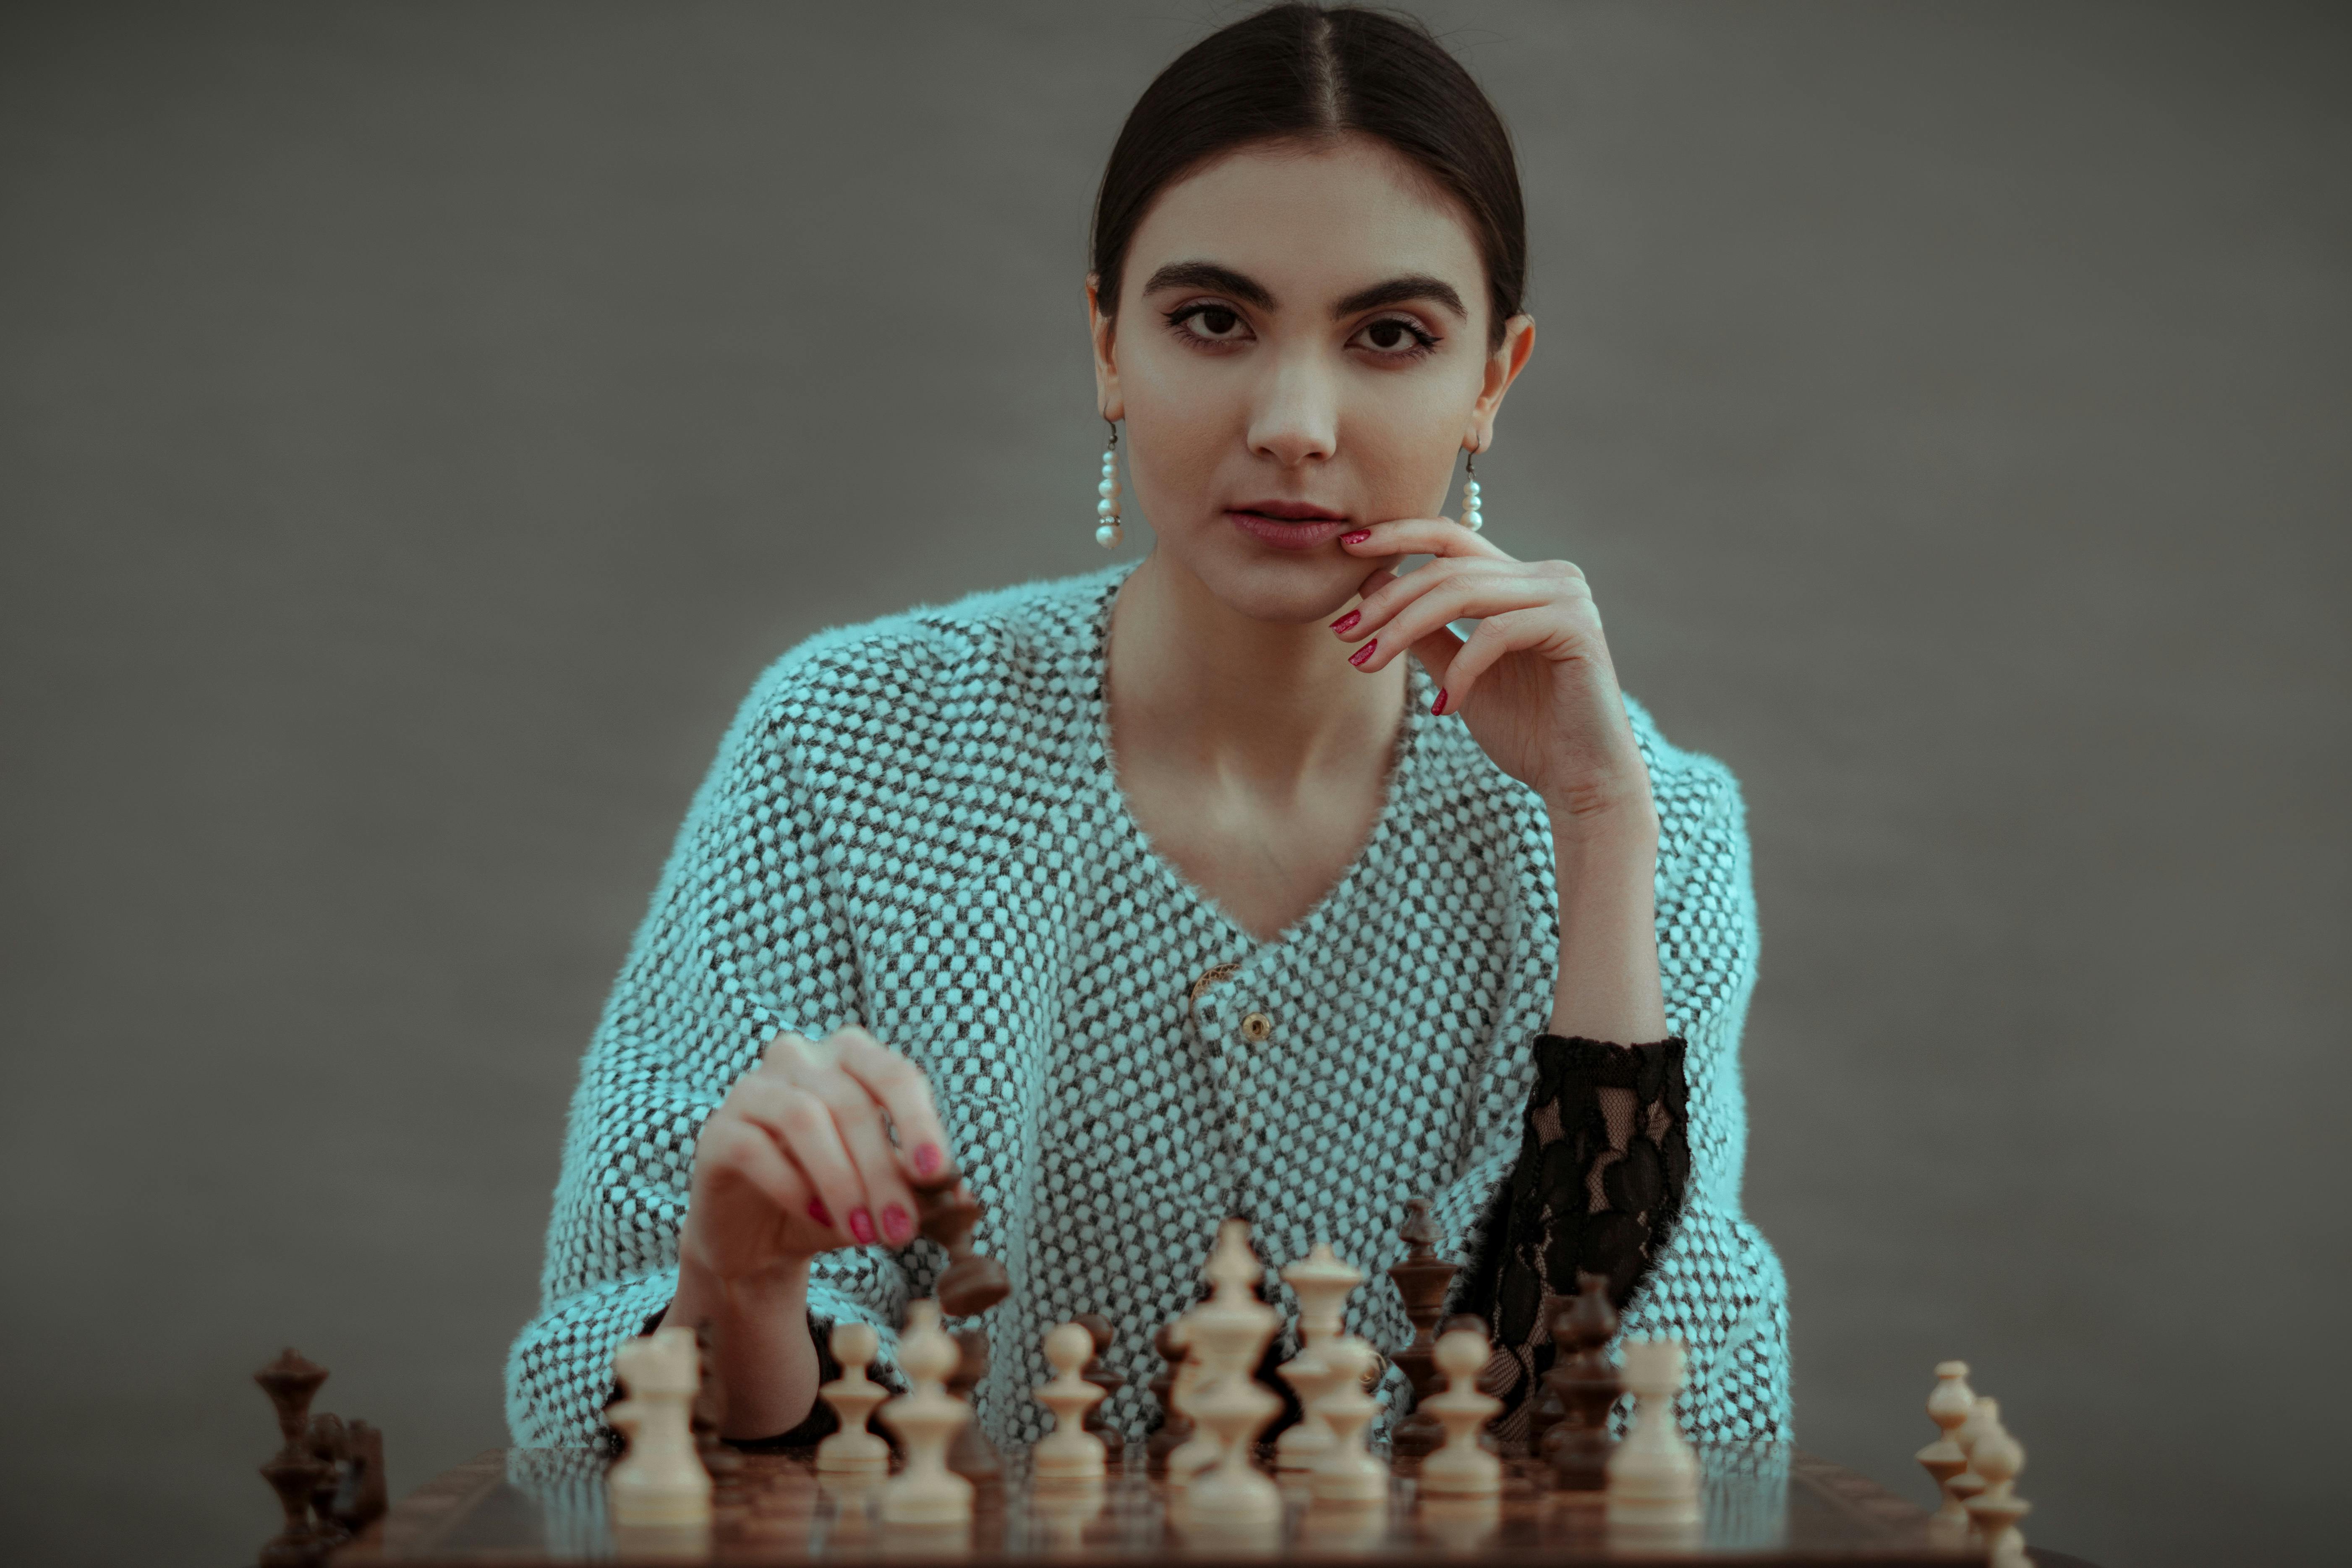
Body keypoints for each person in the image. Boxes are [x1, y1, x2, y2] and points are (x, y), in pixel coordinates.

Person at [505, 2, 1790, 1454]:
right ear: (1107, 344)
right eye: (1212, 321)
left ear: (1491, 378)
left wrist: (1601, 827)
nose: (1294, 419)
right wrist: (735, 1291)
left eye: (1388, 335)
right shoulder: (849, 745)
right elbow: (640, 1419)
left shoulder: (1642, 820)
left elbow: (1623, 1425)